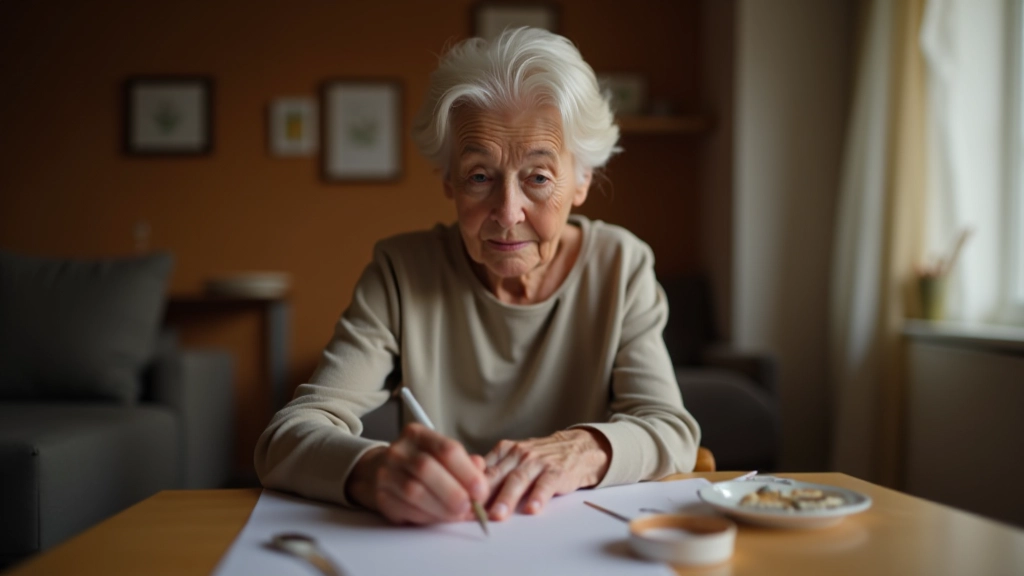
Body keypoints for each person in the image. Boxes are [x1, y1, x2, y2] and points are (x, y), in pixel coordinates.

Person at [254, 27, 700, 527]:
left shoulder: (621, 266)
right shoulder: (402, 272)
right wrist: (373, 470)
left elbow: (670, 430)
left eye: (538, 176)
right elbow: (286, 438)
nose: (508, 213)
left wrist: (582, 449)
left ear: (582, 180)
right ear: (449, 180)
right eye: (480, 176)